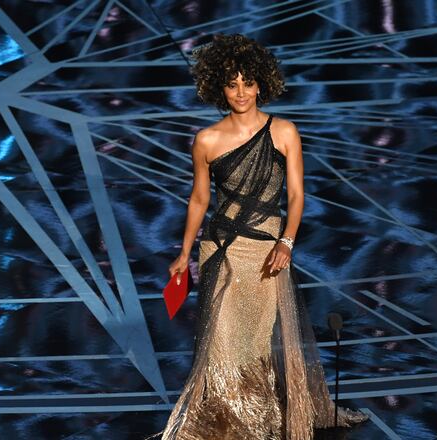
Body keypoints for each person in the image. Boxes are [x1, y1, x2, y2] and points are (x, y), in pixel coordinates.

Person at [155, 33, 369, 440]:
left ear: (261, 84)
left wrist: (286, 241)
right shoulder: (206, 140)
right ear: (219, 85)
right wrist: (184, 252)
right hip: (219, 247)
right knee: (220, 336)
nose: (240, 92)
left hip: (265, 247)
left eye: (248, 83)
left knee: (252, 337)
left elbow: (296, 194)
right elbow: (200, 198)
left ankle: (254, 410)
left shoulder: (284, 131)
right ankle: (227, 415)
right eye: (232, 83)